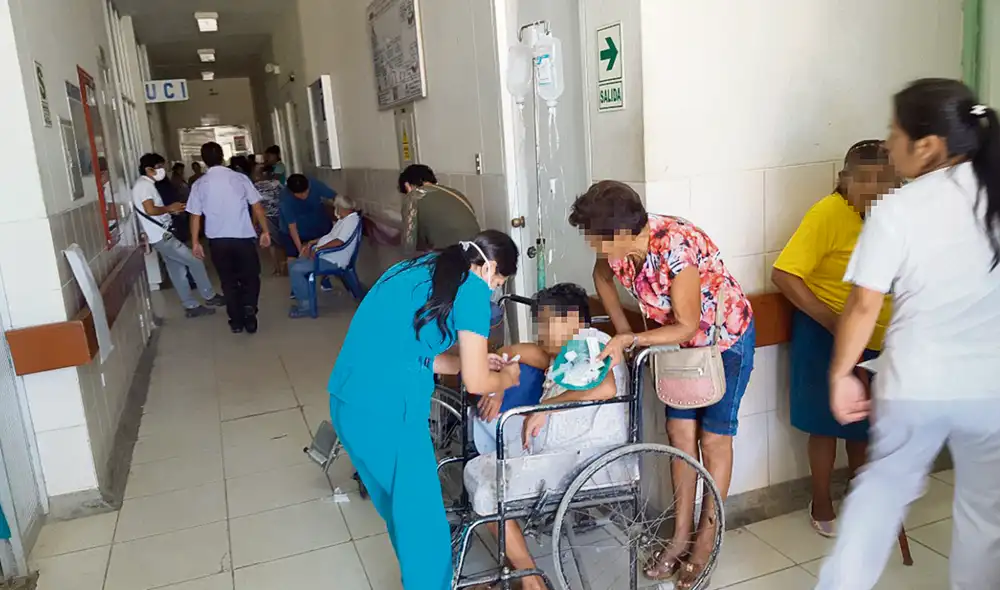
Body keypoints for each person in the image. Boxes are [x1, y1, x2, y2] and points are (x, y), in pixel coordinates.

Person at [816, 79, 1000, 589]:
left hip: (916, 382)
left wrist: (840, 374)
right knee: (985, 519)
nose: (889, 143)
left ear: (928, 145)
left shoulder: (899, 209)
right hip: (991, 390)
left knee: (881, 494)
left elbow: (863, 304)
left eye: (894, 133)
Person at [568, 180, 755, 589]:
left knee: (714, 439)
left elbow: (688, 323)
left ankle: (706, 543)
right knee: (678, 436)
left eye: (596, 238)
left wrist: (630, 339)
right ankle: (678, 538)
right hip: (673, 350)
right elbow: (601, 277)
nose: (593, 247)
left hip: (723, 343)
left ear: (621, 232)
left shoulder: (675, 246)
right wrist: (623, 332)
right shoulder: (616, 253)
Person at [328, 230, 521, 590]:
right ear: (491, 267)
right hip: (390, 415)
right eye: (499, 280)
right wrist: (507, 377)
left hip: (350, 402)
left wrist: (469, 362)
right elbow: (479, 385)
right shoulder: (473, 291)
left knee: (403, 513)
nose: (495, 288)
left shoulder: (418, 268)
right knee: (423, 523)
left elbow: (410, 350)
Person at [463, 283, 629, 590]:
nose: (540, 330)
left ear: (576, 321)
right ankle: (526, 577)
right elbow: (513, 352)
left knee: (488, 491)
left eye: (547, 322)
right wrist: (498, 384)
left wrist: (545, 409)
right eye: (539, 321)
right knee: (486, 477)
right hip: (561, 453)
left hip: (588, 460)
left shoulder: (591, 342)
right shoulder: (563, 354)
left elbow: (605, 389)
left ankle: (530, 582)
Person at [771, 140, 897, 538]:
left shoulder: (886, 216)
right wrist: (831, 321)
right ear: (848, 180)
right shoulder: (828, 213)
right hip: (825, 331)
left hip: (874, 336)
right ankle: (821, 499)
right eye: (875, 184)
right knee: (825, 424)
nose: (884, 192)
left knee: (863, 425)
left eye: (891, 183)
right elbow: (785, 274)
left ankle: (860, 500)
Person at [187, 142, 272, 334]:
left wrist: (194, 242)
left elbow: (195, 216)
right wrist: (266, 231)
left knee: (228, 280)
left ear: (203, 160)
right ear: (222, 156)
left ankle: (235, 320)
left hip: (218, 241)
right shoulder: (240, 178)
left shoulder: (200, 184)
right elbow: (257, 207)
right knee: (250, 277)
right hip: (242, 237)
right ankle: (249, 309)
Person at [132, 153, 224, 317]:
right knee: (195, 260)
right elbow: (150, 210)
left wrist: (172, 210)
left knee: (177, 270)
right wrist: (170, 208)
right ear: (148, 169)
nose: (163, 170)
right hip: (162, 237)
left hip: (161, 235)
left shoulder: (146, 184)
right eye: (159, 167)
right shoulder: (144, 186)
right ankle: (209, 296)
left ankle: (191, 306)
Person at [288, 194, 362, 318]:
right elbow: (330, 237)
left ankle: (306, 306)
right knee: (294, 264)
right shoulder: (344, 219)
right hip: (326, 255)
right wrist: (313, 243)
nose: (335, 210)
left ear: (340, 208)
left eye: (336, 207)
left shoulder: (351, 221)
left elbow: (339, 241)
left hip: (332, 259)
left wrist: (318, 249)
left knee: (296, 269)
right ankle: (303, 296)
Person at [399, 164, 480, 254]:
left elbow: (409, 244)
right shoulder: (454, 192)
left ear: (407, 185)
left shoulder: (413, 196)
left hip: (451, 254)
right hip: (477, 248)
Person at [278, 174, 336, 267]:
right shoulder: (285, 199)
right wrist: (301, 250)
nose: (304, 195)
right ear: (292, 192)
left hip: (319, 224)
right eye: (300, 194)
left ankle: (330, 273)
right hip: (293, 231)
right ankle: (297, 276)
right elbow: (292, 227)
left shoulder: (314, 184)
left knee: (328, 252)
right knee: (293, 258)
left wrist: (341, 215)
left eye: (306, 192)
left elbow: (335, 197)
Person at [253, 164, 285, 275]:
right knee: (280, 242)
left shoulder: (255, 187)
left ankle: (277, 268)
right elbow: (284, 197)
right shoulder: (277, 184)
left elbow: (255, 206)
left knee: (271, 243)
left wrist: (254, 222)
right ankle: (283, 266)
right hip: (279, 215)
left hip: (265, 217)